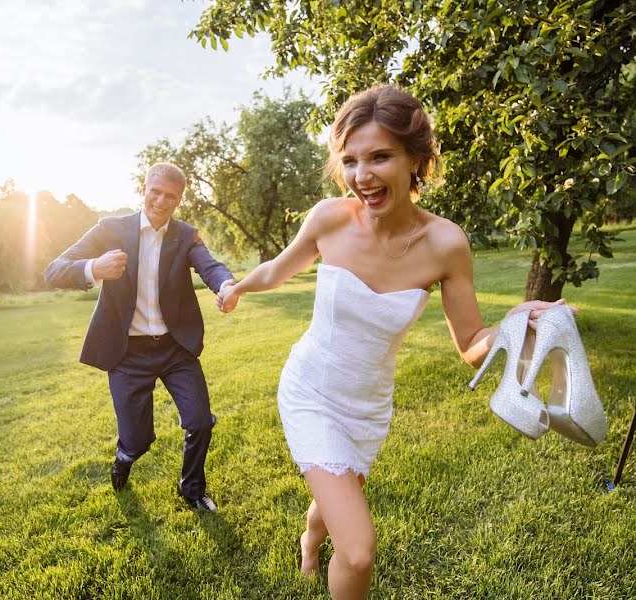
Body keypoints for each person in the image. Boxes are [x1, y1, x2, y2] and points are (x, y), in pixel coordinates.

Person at [216, 85, 568, 598]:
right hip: (311, 391)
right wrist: (237, 288)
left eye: (380, 157)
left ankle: (309, 538)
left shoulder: (446, 244)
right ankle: (327, 545)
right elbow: (274, 270)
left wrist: (515, 323)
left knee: (340, 492)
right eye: (351, 160)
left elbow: (471, 342)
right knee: (357, 553)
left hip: (368, 406)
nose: (362, 177)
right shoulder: (330, 219)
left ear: (416, 160)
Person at [45, 163, 235, 512]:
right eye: (156, 192)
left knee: (200, 421)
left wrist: (225, 285)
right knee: (138, 439)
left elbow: (210, 265)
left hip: (175, 348)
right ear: (144, 189)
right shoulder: (111, 229)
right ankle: (124, 456)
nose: (161, 201)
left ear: (179, 201)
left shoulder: (185, 235)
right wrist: (92, 269)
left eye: (171, 196)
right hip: (127, 353)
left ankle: (191, 489)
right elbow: (54, 269)